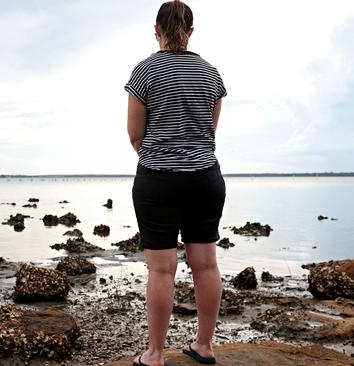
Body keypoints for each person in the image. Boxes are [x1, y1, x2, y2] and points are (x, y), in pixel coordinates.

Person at [124, 1, 227, 365]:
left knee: (162, 267)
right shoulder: (211, 74)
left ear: (156, 31)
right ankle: (205, 346)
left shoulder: (145, 71)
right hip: (205, 178)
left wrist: (159, 160)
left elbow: (135, 134)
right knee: (206, 265)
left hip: (157, 179)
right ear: (192, 32)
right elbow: (208, 131)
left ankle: (154, 354)